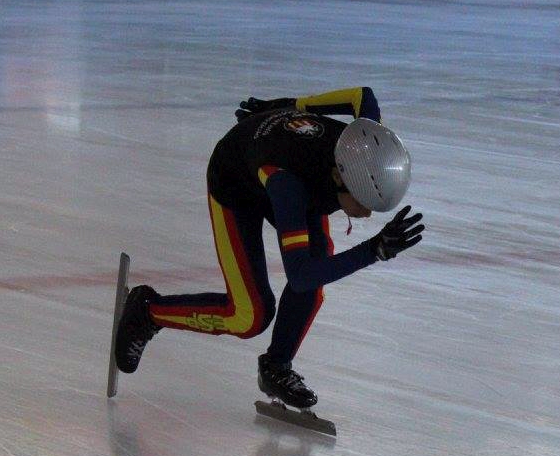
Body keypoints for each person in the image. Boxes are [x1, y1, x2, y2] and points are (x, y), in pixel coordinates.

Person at [113, 88, 424, 410]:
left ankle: (277, 366)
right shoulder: (286, 185)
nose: (366, 213)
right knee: (249, 316)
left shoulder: (364, 139)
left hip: (287, 164)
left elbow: (362, 97)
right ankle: (148, 312)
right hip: (237, 184)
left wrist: (294, 105)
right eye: (361, 202)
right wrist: (373, 251)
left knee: (316, 276)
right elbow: (300, 275)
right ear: (339, 176)